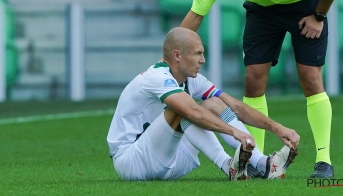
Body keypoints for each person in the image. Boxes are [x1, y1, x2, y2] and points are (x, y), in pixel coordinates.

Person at [180, 0, 341, 178]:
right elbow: (196, 14)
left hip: (305, 5)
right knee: (253, 80)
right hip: (262, 12)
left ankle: (323, 160)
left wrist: (319, 16)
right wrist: (172, 57)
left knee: (310, 79)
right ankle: (260, 161)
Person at [107, 27, 300, 181]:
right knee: (183, 109)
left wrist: (276, 127)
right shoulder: (156, 77)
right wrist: (234, 132)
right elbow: (190, 111)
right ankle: (228, 166)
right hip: (132, 163)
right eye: (198, 53)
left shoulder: (192, 79)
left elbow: (236, 106)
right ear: (177, 55)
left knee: (214, 103)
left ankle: (264, 164)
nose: (202, 60)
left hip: (172, 160)